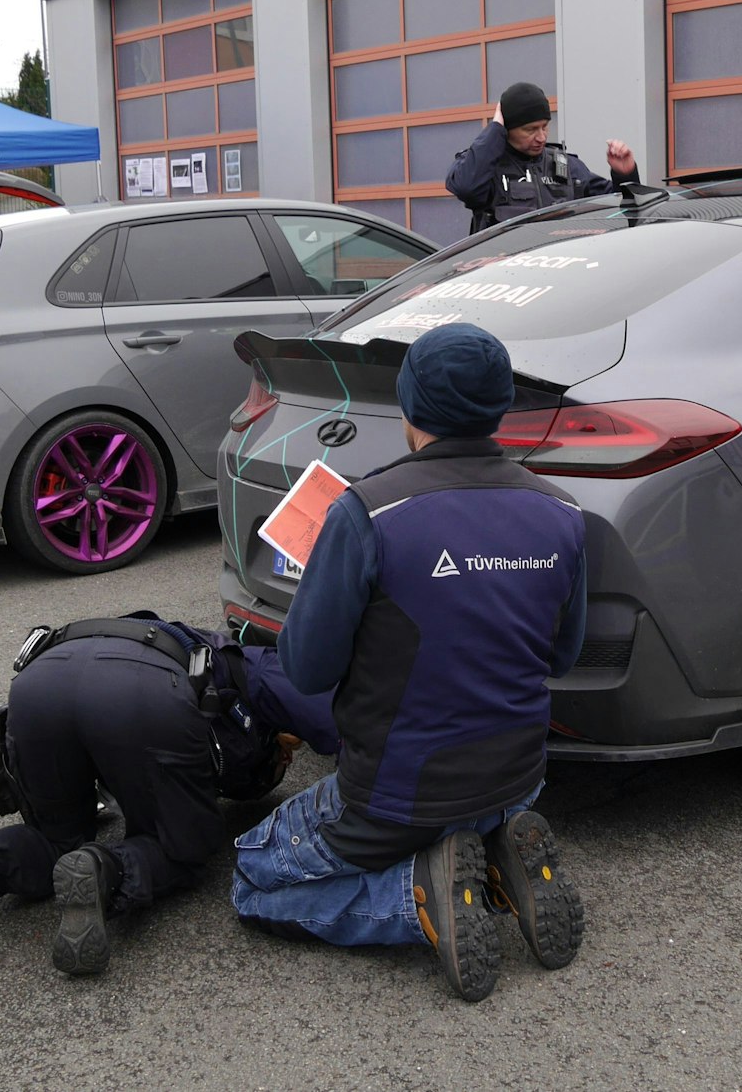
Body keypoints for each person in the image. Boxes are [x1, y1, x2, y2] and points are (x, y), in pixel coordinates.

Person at [232, 323, 590, 1002]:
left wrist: (323, 590)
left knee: (251, 875)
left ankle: (418, 895)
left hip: (394, 797)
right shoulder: (563, 514)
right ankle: (495, 854)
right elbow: (562, 655)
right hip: (517, 780)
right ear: (501, 405)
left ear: (409, 405)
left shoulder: (367, 512)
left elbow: (306, 670)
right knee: (473, 809)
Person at [0, 614, 338, 977]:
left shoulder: (179, 637)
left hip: (40, 680)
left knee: (53, 839)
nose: (286, 763)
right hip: (143, 693)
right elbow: (346, 724)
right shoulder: (252, 663)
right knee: (181, 849)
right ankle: (104, 872)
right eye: (283, 757)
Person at [445, 81, 640, 234]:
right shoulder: (486, 166)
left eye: (544, 126)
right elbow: (466, 187)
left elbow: (620, 206)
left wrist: (625, 174)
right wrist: (495, 129)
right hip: (505, 275)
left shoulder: (564, 165)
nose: (541, 137)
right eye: (530, 129)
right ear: (507, 128)